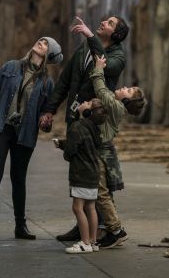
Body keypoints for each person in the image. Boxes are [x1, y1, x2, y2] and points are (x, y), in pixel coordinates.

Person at [39, 14, 129, 241]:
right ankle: (83, 226)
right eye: (105, 20)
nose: (103, 23)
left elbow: (106, 66)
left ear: (116, 34)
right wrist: (50, 110)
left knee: (97, 176)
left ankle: (106, 227)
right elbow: (65, 81)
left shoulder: (118, 56)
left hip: (95, 122)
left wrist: (90, 36)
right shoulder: (83, 50)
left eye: (109, 23)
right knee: (80, 172)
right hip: (75, 117)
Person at [0, 36, 63, 242]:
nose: (40, 43)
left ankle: (20, 226)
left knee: (19, 178)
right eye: (40, 41)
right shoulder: (11, 67)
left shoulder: (46, 82)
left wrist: (46, 122)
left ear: (48, 55)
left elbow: (46, 113)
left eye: (45, 44)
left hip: (24, 133)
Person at [89, 54, 147, 248]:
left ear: (127, 101)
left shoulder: (115, 106)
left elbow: (101, 90)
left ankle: (116, 230)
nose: (124, 87)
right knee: (103, 192)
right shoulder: (117, 106)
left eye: (128, 90)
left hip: (102, 154)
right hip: (103, 151)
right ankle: (106, 229)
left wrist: (98, 68)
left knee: (101, 192)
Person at [60, 99, 106, 254]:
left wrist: (65, 149)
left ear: (88, 112)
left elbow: (70, 153)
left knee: (77, 208)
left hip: (81, 174)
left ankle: (85, 242)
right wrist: (62, 144)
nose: (84, 101)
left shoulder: (77, 127)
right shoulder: (95, 128)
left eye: (88, 103)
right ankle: (93, 242)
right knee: (91, 207)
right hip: (93, 173)